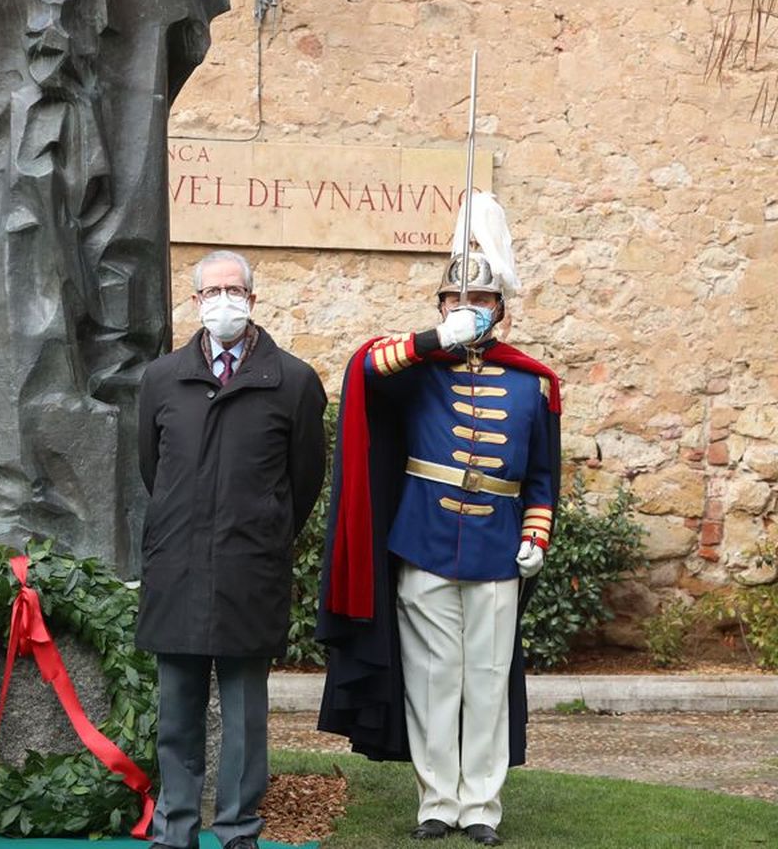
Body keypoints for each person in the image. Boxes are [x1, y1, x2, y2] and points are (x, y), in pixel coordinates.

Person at [0, 0, 230, 573]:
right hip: (23, 146)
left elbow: (188, 38)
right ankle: (12, 498)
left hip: (109, 126)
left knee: (116, 305)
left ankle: (106, 528)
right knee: (21, 293)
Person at [317, 195, 561, 847]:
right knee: (430, 681)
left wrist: (535, 534)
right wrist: (434, 340)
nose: (465, 309)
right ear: (439, 307)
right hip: (423, 542)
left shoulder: (530, 385)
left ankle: (481, 803)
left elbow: (541, 479)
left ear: (501, 309)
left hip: (495, 550)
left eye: (477, 299)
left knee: (484, 681)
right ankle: (438, 799)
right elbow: (367, 367)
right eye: (452, 299)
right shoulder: (419, 370)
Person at [135, 251, 327, 849]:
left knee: (246, 716)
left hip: (250, 570)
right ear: (195, 303)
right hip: (177, 568)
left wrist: (264, 531)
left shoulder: (293, 382)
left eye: (233, 289)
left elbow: (305, 481)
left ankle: (240, 829)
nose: (223, 300)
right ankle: (176, 828)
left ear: (252, 297)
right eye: (211, 291)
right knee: (177, 713)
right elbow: (151, 469)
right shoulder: (161, 379)